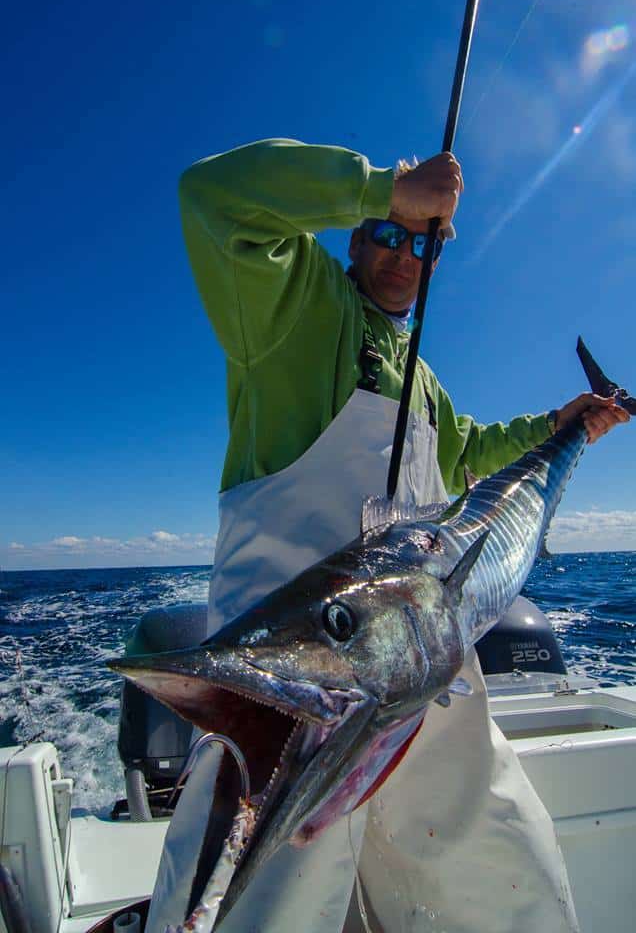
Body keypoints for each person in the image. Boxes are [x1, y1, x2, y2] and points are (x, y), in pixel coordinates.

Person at [168, 138, 628, 933]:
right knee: (258, 903)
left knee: (500, 873)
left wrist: (564, 428)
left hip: (424, 664)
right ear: (357, 235)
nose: (403, 253)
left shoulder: (421, 378)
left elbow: (471, 452)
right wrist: (382, 187)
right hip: (293, 685)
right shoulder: (294, 309)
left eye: (422, 243)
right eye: (389, 232)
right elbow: (212, 198)